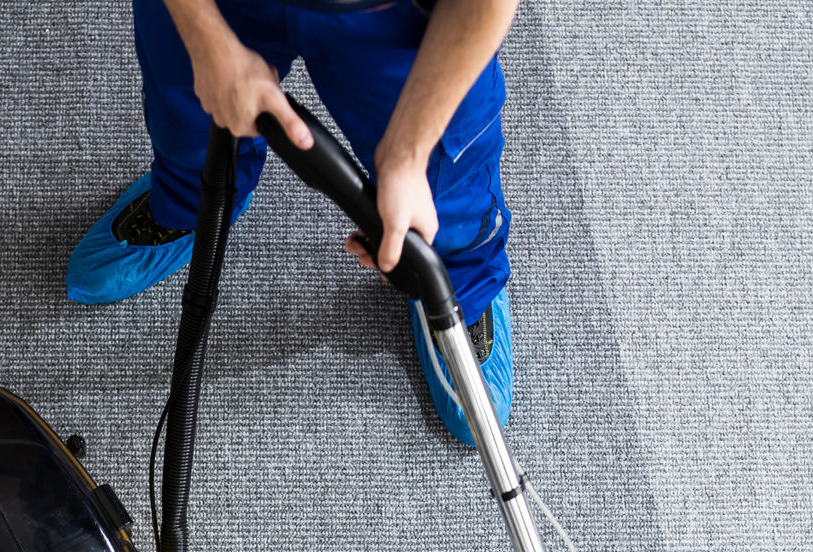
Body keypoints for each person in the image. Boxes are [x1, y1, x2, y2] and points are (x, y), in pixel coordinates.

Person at [65, 0, 519, 445]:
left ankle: (459, 288)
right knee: (192, 123)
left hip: (399, 14)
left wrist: (408, 152)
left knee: (444, 196)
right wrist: (206, 38)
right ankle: (187, 207)